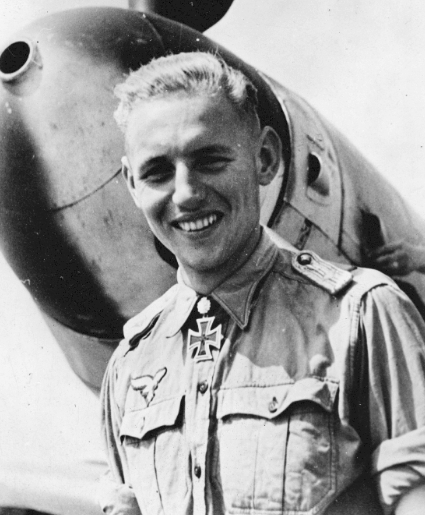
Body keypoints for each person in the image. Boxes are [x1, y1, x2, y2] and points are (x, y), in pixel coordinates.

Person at [99, 51, 425, 515]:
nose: (186, 194)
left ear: (266, 159)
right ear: (132, 184)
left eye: (210, 160)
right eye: (157, 173)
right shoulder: (129, 366)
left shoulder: (364, 317)